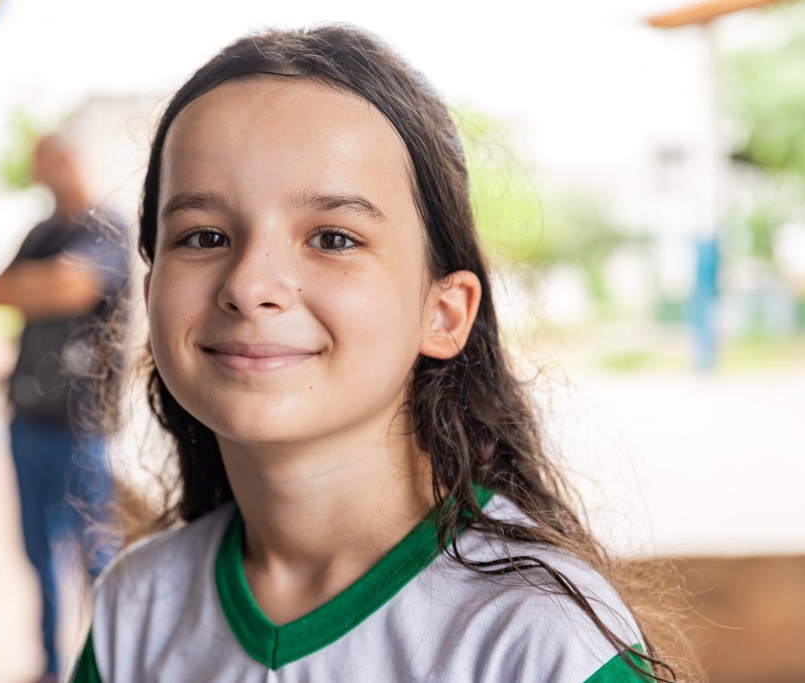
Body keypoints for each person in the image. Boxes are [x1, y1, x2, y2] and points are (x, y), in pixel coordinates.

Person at [70, 25, 678, 683]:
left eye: (333, 238)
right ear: (153, 292)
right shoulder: (135, 610)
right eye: (204, 236)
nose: (248, 285)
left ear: (444, 313)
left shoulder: (539, 643)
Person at [0, 133, 127, 683]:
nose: (40, 176)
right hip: (26, 418)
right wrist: (51, 281)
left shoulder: (107, 227)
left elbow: (77, 288)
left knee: (96, 556)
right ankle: (49, 666)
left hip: (81, 425)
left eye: (43, 165)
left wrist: (44, 285)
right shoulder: (42, 233)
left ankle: (111, 664)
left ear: (67, 161)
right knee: (36, 552)